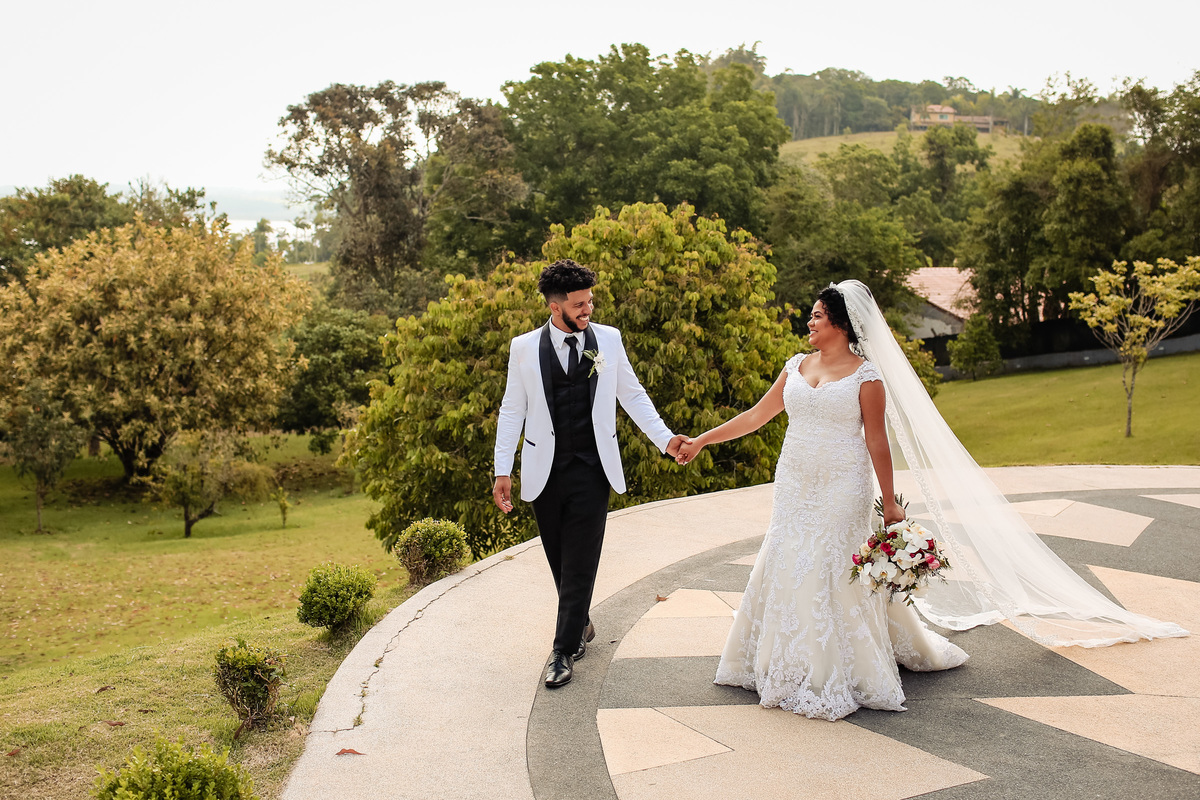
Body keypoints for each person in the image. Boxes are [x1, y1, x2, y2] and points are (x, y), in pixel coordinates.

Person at [676, 280, 1187, 721]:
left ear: (841, 323)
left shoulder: (866, 376)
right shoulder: (796, 364)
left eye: (816, 316)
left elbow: (876, 440)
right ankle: (771, 661)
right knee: (787, 560)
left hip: (840, 486)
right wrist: (701, 440)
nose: (808, 323)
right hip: (794, 484)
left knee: (825, 568)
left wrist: (891, 504)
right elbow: (755, 416)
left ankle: (828, 672)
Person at [493, 259, 688, 688]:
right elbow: (513, 409)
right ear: (554, 305)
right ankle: (580, 621)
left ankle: (563, 650)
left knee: (580, 561)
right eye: (579, 304)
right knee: (559, 559)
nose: (588, 310)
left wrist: (666, 439)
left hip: (593, 467)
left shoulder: (609, 341)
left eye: (590, 301)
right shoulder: (523, 348)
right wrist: (501, 468)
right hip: (544, 468)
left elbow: (632, 395)